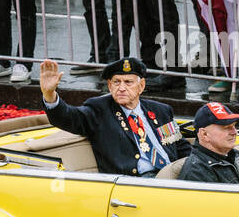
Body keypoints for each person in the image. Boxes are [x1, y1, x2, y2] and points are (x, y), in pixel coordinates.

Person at [38, 56, 189, 176]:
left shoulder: (160, 110)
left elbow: (178, 145)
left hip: (173, 174)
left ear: (141, 86)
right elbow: (68, 117)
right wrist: (49, 94)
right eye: (116, 82)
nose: (121, 88)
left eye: (128, 82)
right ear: (109, 86)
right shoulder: (99, 110)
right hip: (139, 182)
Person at [179, 102, 239, 185]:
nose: (234, 132)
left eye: (234, 126)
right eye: (226, 127)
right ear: (204, 134)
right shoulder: (196, 173)